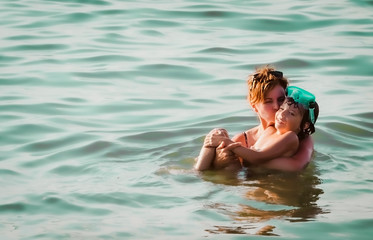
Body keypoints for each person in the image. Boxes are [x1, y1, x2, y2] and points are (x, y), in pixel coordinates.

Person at [194, 66, 315, 171]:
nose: (277, 107)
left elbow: (298, 166)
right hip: (250, 188)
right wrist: (219, 161)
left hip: (278, 189)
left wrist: (248, 161)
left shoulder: (301, 137)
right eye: (268, 101)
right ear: (254, 106)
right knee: (216, 134)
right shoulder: (242, 139)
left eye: (281, 100)